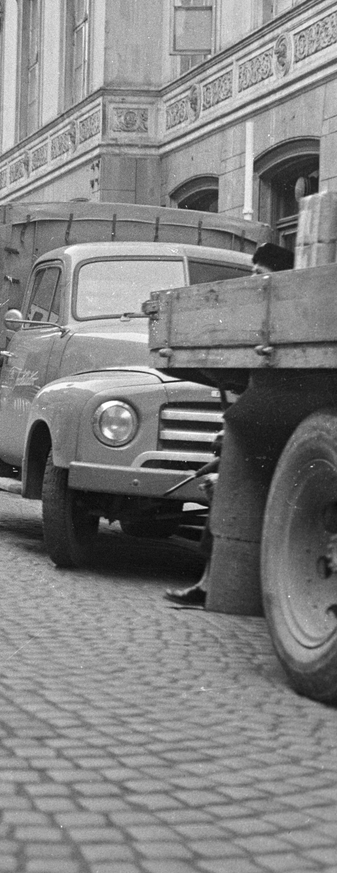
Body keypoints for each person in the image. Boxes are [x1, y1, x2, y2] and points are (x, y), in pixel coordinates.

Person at [164, 240, 295, 606]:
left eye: (259, 273)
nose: (253, 279)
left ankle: (213, 582)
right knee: (222, 486)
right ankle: (209, 579)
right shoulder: (263, 313)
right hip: (266, 418)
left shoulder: (284, 311)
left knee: (228, 481)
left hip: (278, 426)